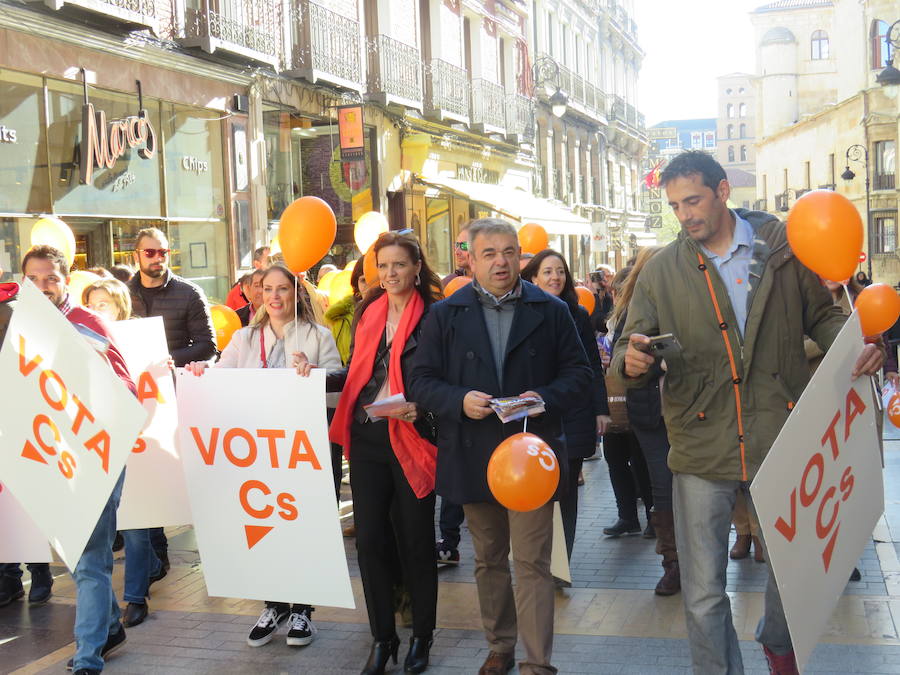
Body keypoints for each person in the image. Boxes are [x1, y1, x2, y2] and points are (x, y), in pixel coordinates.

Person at [610, 151, 883, 674]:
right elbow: (626, 348)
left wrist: (855, 350)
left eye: (693, 200)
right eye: (675, 205)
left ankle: (778, 641)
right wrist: (634, 359)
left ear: (721, 190)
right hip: (699, 442)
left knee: (792, 567)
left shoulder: (782, 247)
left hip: (781, 433)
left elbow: (823, 314)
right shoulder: (663, 269)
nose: (685, 214)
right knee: (704, 590)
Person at [410, 218, 592, 675]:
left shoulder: (550, 311)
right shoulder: (445, 314)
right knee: (489, 560)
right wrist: (458, 400)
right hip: (473, 452)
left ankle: (537, 662)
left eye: (510, 252)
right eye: (489, 253)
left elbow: (580, 374)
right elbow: (420, 380)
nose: (501, 262)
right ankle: (500, 645)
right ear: (469, 259)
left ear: (520, 256)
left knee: (531, 562)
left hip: (530, 454)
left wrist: (543, 398)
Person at [187, 263, 341, 649]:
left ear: (296, 293)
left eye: (281, 289)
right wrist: (199, 370)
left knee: (302, 526)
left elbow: (338, 388)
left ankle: (303, 609)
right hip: (258, 452)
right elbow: (220, 375)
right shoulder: (243, 337)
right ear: (257, 293)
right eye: (265, 288)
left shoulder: (317, 335)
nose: (274, 296)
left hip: (301, 451)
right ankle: (274, 605)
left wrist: (314, 371)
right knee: (266, 527)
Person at [328, 231, 442, 675]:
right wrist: (315, 373)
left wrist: (422, 406)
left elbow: (441, 378)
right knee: (371, 542)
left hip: (413, 436)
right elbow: (357, 371)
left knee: (416, 543)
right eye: (383, 265)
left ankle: (422, 638)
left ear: (416, 268)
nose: (390, 273)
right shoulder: (368, 311)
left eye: (399, 264)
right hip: (369, 436)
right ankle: (383, 639)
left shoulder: (435, 316)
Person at [22, 245, 137, 675]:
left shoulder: (87, 324)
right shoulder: (19, 327)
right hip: (48, 457)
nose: (42, 287)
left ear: (66, 279)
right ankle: (110, 626)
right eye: (33, 279)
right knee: (78, 557)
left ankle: (87, 657)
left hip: (95, 459)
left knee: (90, 561)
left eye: (50, 278)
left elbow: (128, 390)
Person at [128, 227, 216, 573]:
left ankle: (212, 544)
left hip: (178, 399)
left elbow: (208, 345)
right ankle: (156, 554)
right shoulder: (124, 292)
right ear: (137, 255)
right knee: (146, 477)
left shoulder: (188, 293)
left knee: (186, 475)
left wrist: (170, 358)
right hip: (136, 398)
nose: (157, 259)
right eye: (150, 253)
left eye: (162, 252)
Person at [83, 278, 167, 627]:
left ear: (119, 305)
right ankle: (147, 570)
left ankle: (135, 597)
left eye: (103, 303)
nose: (96, 309)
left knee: (135, 524)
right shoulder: (81, 337)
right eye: (91, 302)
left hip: (139, 440)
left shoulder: (137, 339)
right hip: (97, 444)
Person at [520, 249, 610, 569]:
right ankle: (537, 559)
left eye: (560, 271)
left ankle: (560, 565)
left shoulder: (577, 315)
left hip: (572, 412)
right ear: (532, 277)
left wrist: (601, 408)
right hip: (530, 418)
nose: (555, 277)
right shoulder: (519, 314)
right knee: (535, 492)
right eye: (547, 272)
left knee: (566, 493)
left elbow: (591, 367)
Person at [608, 247, 680, 595]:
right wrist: (646, 360)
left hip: (693, 411)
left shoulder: (689, 299)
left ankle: (700, 562)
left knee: (698, 490)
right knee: (663, 488)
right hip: (651, 410)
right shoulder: (632, 308)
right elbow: (620, 357)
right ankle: (672, 564)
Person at [0, 267, 54, 608]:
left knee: (27, 503)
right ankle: (8, 577)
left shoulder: (25, 323)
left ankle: (39, 570)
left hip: (27, 429)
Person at [601, 267, 654, 540]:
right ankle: (627, 516)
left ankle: (652, 517)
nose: (615, 295)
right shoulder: (616, 316)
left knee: (640, 458)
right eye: (613, 291)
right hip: (615, 397)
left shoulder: (637, 313)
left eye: (619, 291)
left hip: (636, 396)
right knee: (615, 454)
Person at [589, 266, 615, 335]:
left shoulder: (612, 298)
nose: (605, 279)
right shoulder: (589, 298)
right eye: (602, 276)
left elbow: (602, 323)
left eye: (609, 276)